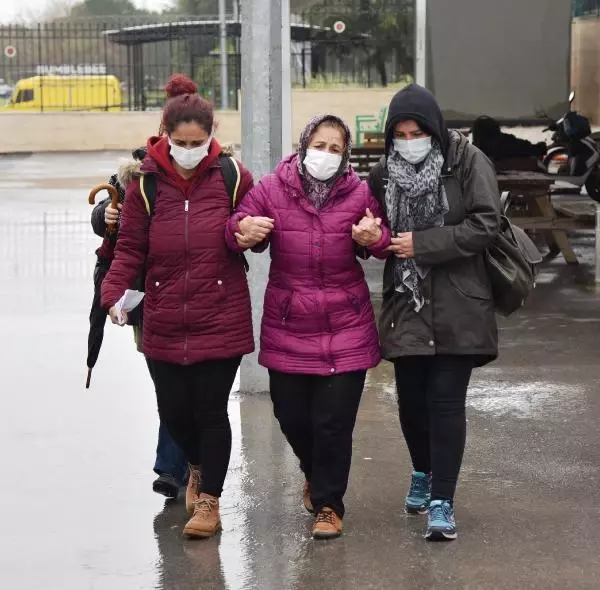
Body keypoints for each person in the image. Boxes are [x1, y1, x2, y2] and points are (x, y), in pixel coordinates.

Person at [101, 74, 255, 539]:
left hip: (220, 312)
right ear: (165, 136)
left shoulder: (232, 177)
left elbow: (253, 227)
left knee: (211, 411)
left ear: (211, 138)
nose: (190, 151)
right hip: (164, 317)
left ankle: (209, 500)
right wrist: (113, 296)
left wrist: (253, 233)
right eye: (181, 142)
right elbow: (129, 248)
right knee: (174, 412)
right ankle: (193, 465)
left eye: (199, 142)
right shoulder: (144, 185)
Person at [225, 115, 391, 540]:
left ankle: (329, 505)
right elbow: (239, 224)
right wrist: (241, 230)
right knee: (291, 413)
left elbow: (381, 236)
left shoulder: (359, 192)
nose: (326, 155)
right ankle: (315, 475)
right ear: (303, 146)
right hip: (289, 321)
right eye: (320, 145)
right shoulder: (272, 188)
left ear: (346, 155)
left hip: (346, 321)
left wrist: (372, 237)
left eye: (336, 149)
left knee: (333, 423)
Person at [368, 84, 500, 541]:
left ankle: (442, 499)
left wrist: (424, 244)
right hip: (407, 302)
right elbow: (378, 227)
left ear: (435, 130)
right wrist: (370, 237)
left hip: (458, 300)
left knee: (445, 403)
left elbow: (487, 223)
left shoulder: (467, 160)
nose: (409, 140)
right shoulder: (384, 171)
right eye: (400, 133)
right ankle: (422, 471)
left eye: (417, 131)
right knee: (410, 403)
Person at [91, 147, 189, 501]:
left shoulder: (214, 173)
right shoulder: (139, 172)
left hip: (201, 301)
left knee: (193, 388)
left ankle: (179, 464)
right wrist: (107, 215)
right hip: (151, 302)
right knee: (169, 385)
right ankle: (174, 465)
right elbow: (105, 213)